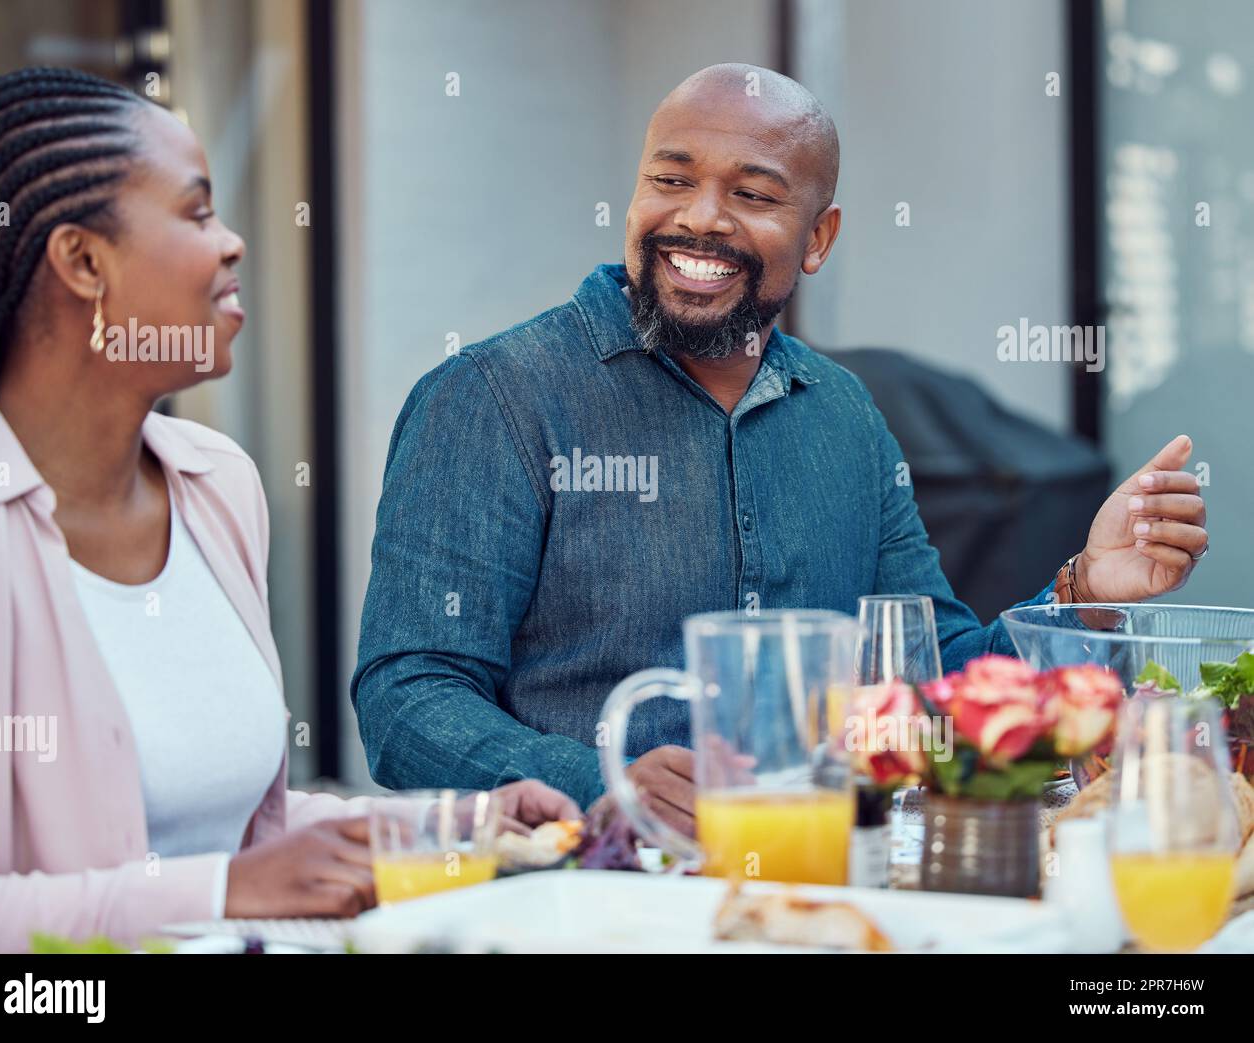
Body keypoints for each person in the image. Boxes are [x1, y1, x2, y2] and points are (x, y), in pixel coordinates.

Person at [352, 63, 1209, 827]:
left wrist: (1086, 588)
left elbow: (931, 684)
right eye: (670, 179)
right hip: (583, 901)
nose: (699, 219)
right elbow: (408, 697)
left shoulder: (843, 414)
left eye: (754, 195)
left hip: (815, 888)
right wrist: (600, 780)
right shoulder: (494, 396)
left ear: (819, 238)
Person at [0, 67, 578, 954]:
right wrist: (223, 889)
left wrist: (455, 826)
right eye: (198, 211)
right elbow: (227, 878)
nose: (234, 243)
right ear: (83, 262)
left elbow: (250, 837)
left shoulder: (217, 483)